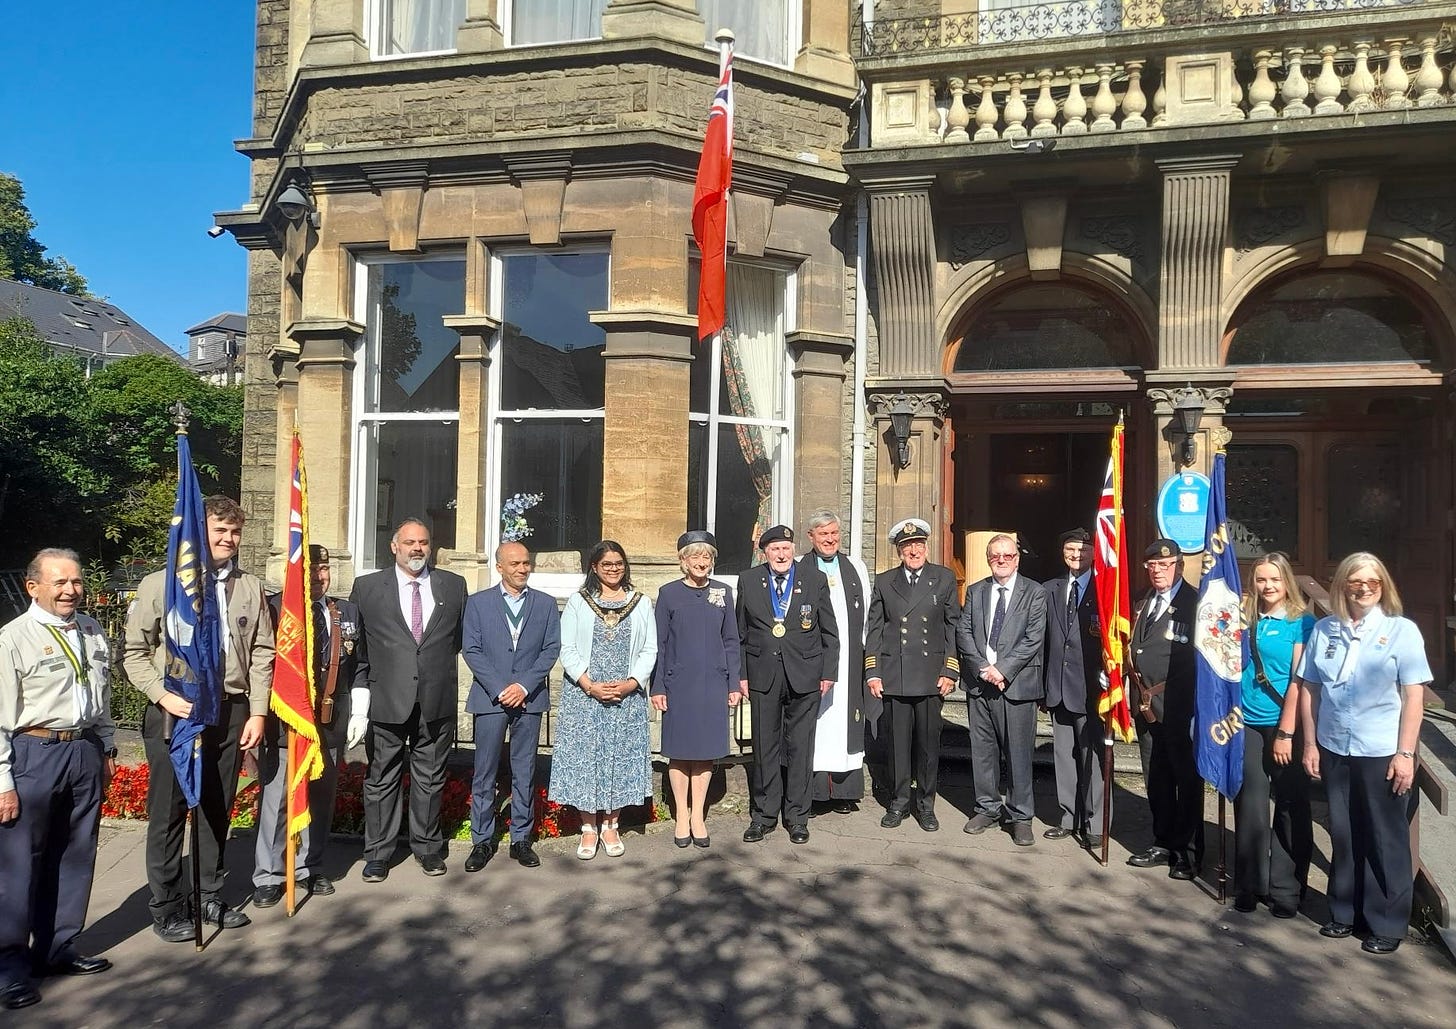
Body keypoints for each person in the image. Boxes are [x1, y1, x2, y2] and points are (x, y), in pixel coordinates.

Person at [123, 495, 274, 941]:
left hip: (230, 710)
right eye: (219, 531)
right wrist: (161, 695)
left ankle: (209, 893)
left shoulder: (250, 588)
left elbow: (263, 650)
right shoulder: (161, 584)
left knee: (216, 807)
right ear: (197, 534)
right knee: (169, 810)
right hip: (178, 712)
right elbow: (133, 653)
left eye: (235, 532)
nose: (229, 540)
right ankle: (168, 905)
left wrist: (258, 711)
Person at [0, 550, 116, 1011]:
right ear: (33, 587)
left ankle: (57, 947)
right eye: (59, 582)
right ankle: (10, 967)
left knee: (76, 853)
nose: (70, 590)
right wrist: (2, 781)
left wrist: (106, 746)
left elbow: (101, 695)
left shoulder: (91, 630)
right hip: (34, 751)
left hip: (82, 749)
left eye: (76, 581)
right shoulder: (13, 638)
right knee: (17, 865)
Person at [1297, 552, 1430, 955]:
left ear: (1383, 585)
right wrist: (1309, 742)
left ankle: (1387, 922)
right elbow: (1309, 689)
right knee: (1344, 831)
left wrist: (1405, 753)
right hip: (1336, 745)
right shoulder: (1324, 630)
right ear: (1342, 586)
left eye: (1373, 581)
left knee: (1384, 836)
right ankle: (1344, 913)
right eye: (1356, 580)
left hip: (1381, 749)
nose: (1364, 588)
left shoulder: (1401, 631)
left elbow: (1413, 697)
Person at [347, 518, 467, 881]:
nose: (417, 549)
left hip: (435, 698)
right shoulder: (367, 587)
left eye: (424, 543)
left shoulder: (453, 585)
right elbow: (360, 650)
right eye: (410, 542)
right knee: (382, 778)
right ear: (394, 547)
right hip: (387, 699)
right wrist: (360, 703)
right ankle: (379, 854)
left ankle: (427, 848)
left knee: (430, 778)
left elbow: (456, 640)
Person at [252, 545, 368, 907]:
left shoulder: (345, 611)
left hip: (328, 721)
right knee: (278, 800)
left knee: (321, 798)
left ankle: (310, 866)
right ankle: (270, 874)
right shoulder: (273, 610)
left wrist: (360, 706)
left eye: (325, 569)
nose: (319, 577)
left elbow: (359, 663)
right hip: (285, 722)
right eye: (312, 569)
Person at [548, 541, 655, 860]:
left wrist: (631, 683)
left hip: (626, 696)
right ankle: (588, 828)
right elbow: (566, 648)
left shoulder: (641, 603)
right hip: (585, 696)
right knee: (587, 758)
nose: (613, 569)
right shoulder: (580, 603)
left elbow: (650, 648)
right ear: (594, 567)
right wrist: (589, 683)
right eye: (606, 564)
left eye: (619, 563)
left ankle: (612, 823)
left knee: (618, 758)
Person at [737, 525, 839, 846]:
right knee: (765, 747)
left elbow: (829, 632)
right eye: (774, 549)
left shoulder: (814, 579)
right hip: (763, 674)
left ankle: (797, 817)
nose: (781, 555)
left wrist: (829, 673)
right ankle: (764, 816)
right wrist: (741, 674)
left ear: (793, 550)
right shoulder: (749, 580)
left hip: (805, 673)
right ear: (764, 553)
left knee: (800, 746)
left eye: (786, 548)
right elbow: (741, 633)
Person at [462, 541, 561, 871]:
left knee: (525, 771)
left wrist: (523, 686)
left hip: (528, 699)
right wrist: (501, 687)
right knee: (484, 771)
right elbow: (471, 649)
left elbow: (550, 650)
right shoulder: (477, 604)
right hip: (491, 699)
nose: (522, 569)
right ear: (499, 567)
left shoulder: (545, 605)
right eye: (515, 564)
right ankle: (482, 840)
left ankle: (521, 838)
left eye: (526, 563)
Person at [1232, 552, 1315, 919]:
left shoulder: (1302, 623)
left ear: (1287, 583)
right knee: (1249, 803)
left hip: (1285, 724)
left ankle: (1287, 887)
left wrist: (1286, 732)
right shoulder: (1246, 618)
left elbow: (1300, 679)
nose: (1267, 587)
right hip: (1246, 721)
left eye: (1275, 580)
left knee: (1289, 805)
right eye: (1261, 580)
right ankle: (1251, 883)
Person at [864, 518, 960, 832]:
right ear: (899, 550)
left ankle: (926, 805)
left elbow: (952, 628)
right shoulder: (884, 581)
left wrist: (950, 670)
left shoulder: (944, 578)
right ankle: (899, 801)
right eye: (907, 546)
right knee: (897, 745)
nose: (913, 550)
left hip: (931, 677)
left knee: (928, 746)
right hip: (896, 675)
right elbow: (875, 631)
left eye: (918, 544)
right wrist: (873, 672)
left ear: (926, 546)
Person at [652, 531, 741, 848]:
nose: (701, 563)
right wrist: (658, 686)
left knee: (704, 755)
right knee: (679, 753)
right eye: (695, 557)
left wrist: (733, 683)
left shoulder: (723, 593)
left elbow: (731, 642)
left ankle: (698, 816)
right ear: (683, 561)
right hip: (679, 685)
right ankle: (680, 816)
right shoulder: (668, 594)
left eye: (707, 557)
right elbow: (659, 645)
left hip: (713, 684)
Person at [958, 532, 1048, 846]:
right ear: (988, 558)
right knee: (983, 752)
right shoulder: (976, 591)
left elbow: (1033, 638)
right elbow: (964, 631)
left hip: (1017, 686)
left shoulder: (1034, 593)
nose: (1001, 560)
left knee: (1019, 753)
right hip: (980, 685)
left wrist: (1003, 669)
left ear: (1017, 558)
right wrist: (983, 668)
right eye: (995, 555)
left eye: (1007, 556)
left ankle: (1021, 815)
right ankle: (987, 808)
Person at [1126, 538, 1203, 880]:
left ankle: (1185, 851)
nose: (1158, 570)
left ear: (1179, 567)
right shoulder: (1142, 601)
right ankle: (1162, 840)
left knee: (1186, 779)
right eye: (1152, 565)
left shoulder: (1196, 603)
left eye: (1165, 565)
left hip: (1180, 705)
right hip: (1146, 706)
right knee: (1155, 778)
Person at [803, 511, 873, 815]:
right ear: (811, 537)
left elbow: (868, 613)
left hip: (850, 659)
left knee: (846, 722)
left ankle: (844, 791)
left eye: (834, 533)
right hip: (814, 659)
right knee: (817, 723)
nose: (830, 539)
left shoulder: (855, 566)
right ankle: (816, 791)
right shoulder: (799, 567)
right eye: (823, 535)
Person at [1041, 528, 1106, 850]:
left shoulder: (1106, 588)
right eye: (1070, 549)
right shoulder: (1050, 589)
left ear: (1094, 552)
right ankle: (1068, 817)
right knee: (1064, 755)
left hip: (1092, 688)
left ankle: (1095, 822)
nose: (1076, 554)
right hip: (1058, 686)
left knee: (1091, 756)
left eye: (1082, 549)